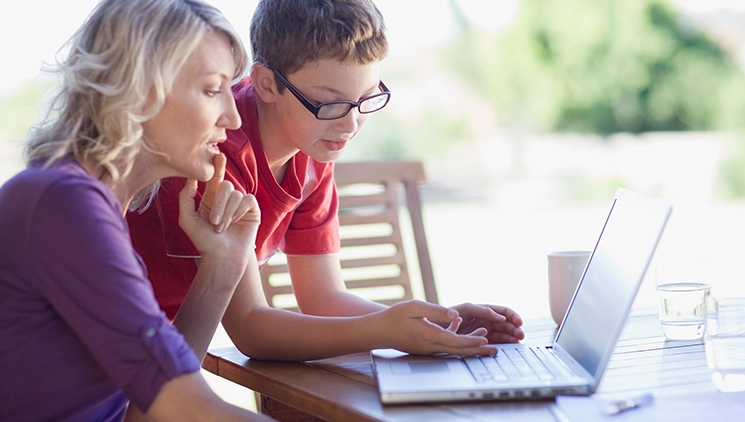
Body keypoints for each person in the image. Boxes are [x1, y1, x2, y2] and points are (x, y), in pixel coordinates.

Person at [127, 0, 525, 362]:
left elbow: (322, 297)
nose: (350, 124)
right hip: (115, 345)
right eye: (331, 102)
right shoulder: (214, 151)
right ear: (267, 84)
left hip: (169, 348)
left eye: (366, 99)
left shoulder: (315, 139)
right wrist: (384, 330)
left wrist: (441, 323)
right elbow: (250, 329)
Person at [0, 0, 275, 421]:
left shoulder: (96, 209)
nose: (234, 118)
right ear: (140, 89)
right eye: (211, 89)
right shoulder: (61, 203)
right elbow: (186, 409)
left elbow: (147, 409)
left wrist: (222, 267)